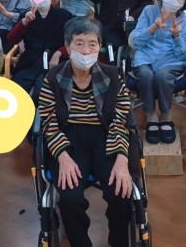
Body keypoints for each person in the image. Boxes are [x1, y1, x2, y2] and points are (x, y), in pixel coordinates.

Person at [39, 17, 132, 247]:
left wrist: (122, 160)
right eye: (79, 43)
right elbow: (49, 120)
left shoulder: (112, 75)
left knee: (121, 191)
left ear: (99, 46)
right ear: (67, 46)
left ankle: (118, 241)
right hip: (68, 139)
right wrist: (62, 157)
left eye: (92, 43)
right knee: (69, 197)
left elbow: (120, 119)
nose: (86, 50)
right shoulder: (53, 78)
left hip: (106, 135)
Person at [130, 0, 186, 144]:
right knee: (146, 75)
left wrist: (176, 36)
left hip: (171, 61)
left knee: (162, 76)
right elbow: (137, 42)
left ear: (185, 1)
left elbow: (183, 55)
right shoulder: (148, 11)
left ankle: (166, 116)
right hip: (145, 57)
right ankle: (151, 116)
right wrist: (154, 27)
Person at [7, 0, 74, 104]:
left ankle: (41, 116)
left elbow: (74, 40)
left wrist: (59, 52)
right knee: (16, 94)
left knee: (42, 94)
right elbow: (12, 39)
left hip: (54, 64)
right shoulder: (25, 16)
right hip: (29, 63)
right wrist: (24, 22)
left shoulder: (64, 15)